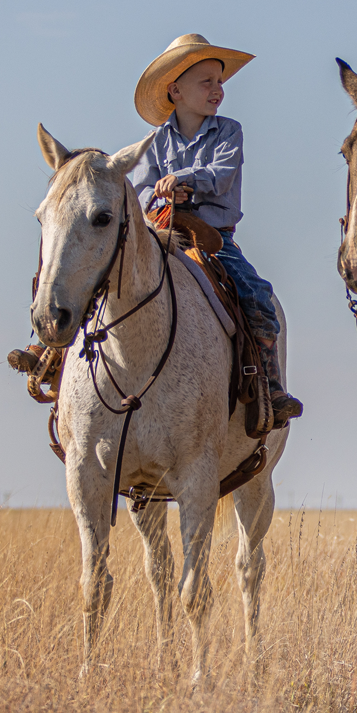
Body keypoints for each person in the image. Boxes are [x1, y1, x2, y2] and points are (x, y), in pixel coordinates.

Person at [130, 33, 303, 429]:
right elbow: (140, 192)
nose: (217, 90)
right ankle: (54, 358)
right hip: (163, 233)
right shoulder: (153, 143)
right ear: (176, 90)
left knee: (257, 295)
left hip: (213, 238)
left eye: (220, 82)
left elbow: (221, 176)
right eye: (206, 81)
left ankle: (270, 386)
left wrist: (183, 178)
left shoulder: (229, 132)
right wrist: (159, 197)